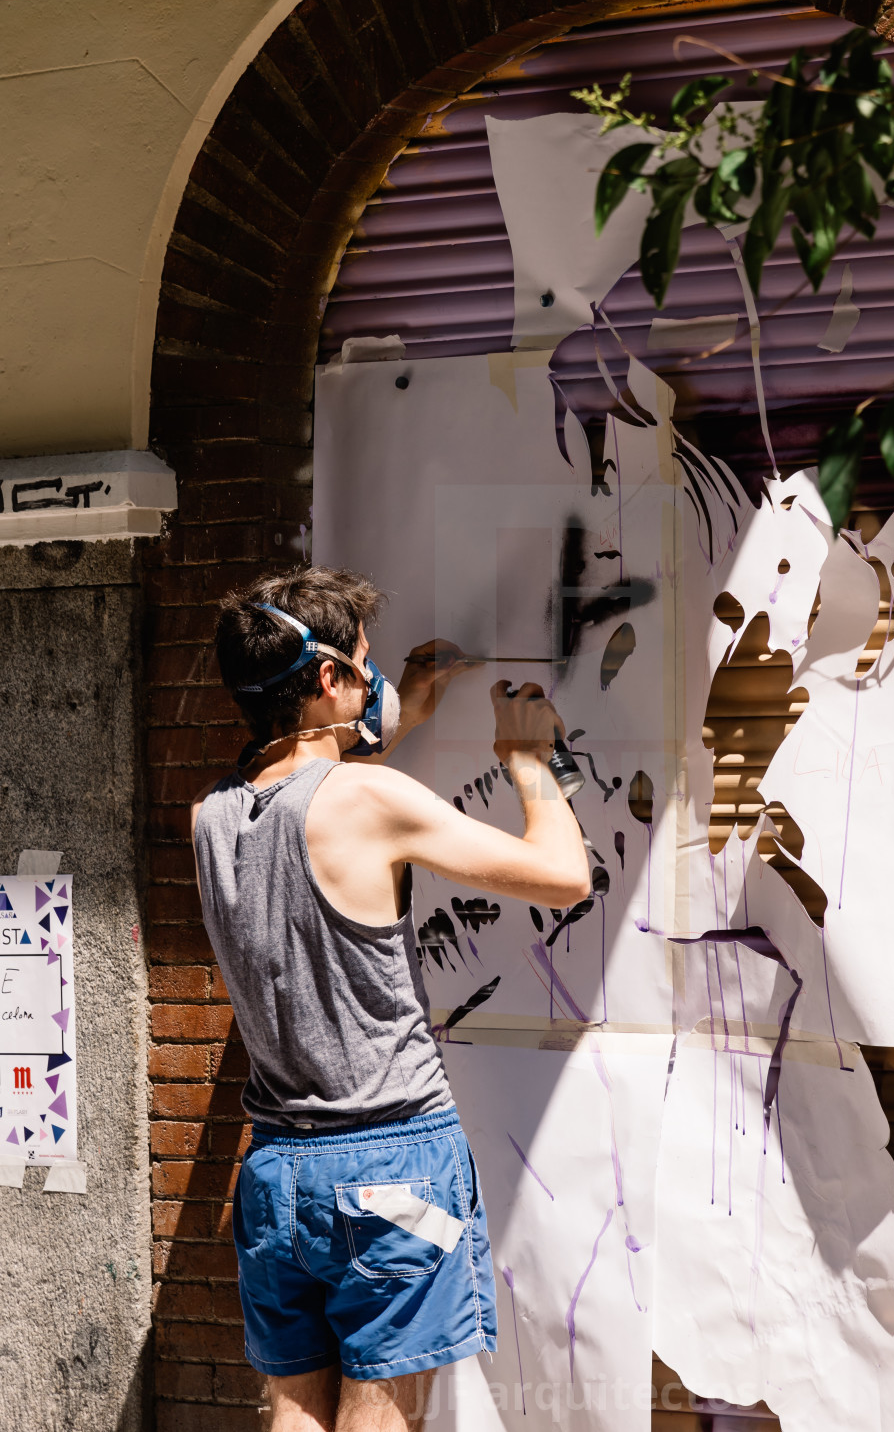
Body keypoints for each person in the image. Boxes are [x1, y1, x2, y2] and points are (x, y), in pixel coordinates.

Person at [190, 565, 590, 1432]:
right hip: (390, 1165)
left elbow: (319, 787)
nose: (374, 682)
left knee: (296, 1409)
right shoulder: (369, 800)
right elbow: (564, 876)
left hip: (278, 1176)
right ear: (329, 678)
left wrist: (407, 694)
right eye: (362, 665)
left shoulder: (214, 816)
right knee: (384, 1413)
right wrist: (532, 761)